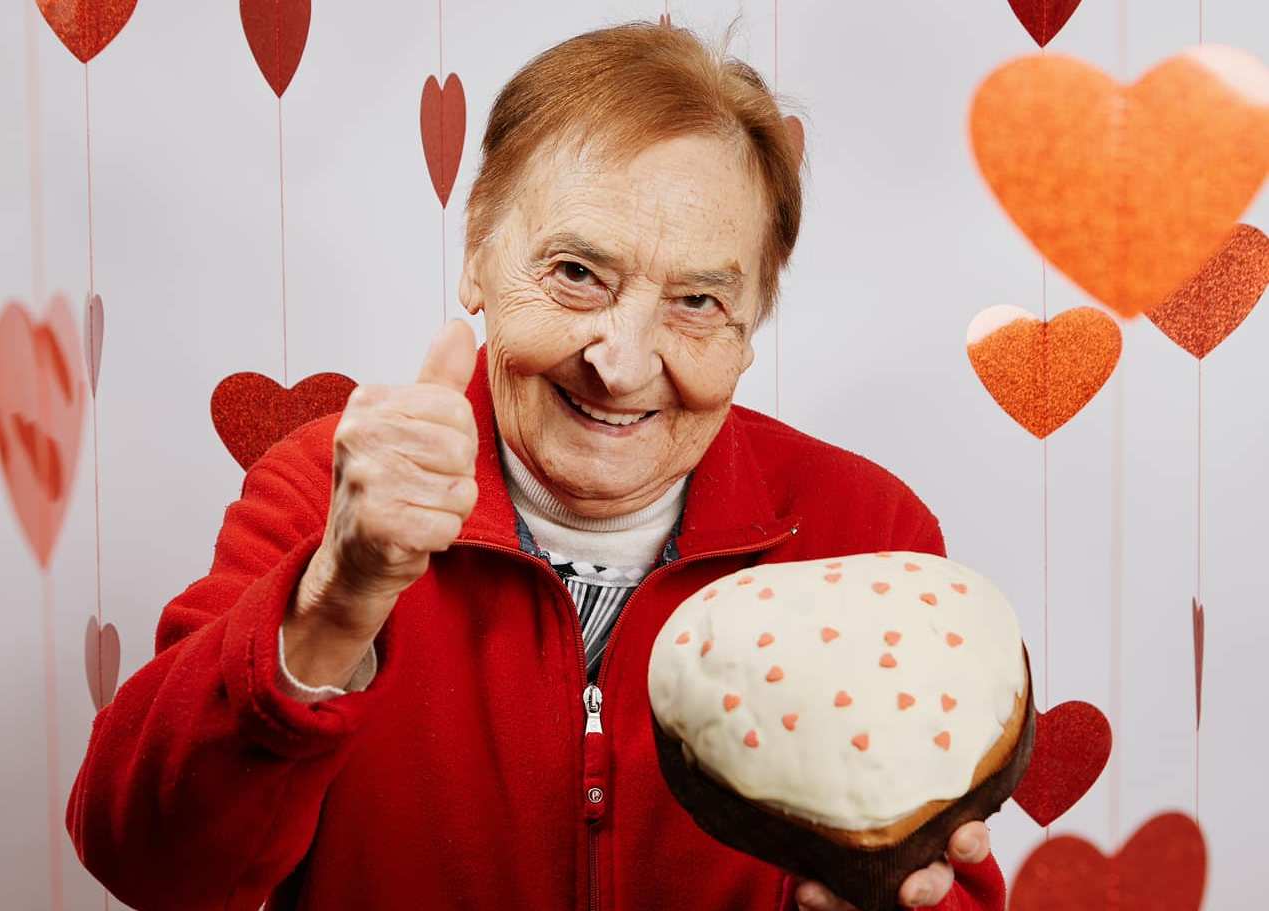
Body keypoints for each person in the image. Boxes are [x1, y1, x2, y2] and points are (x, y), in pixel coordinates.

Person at [66, 19, 1007, 911]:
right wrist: (336, 598)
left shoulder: (871, 536)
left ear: (753, 320)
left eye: (696, 301)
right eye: (577, 273)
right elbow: (146, 858)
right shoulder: (326, 494)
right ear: (478, 250)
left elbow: (946, 877)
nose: (622, 362)